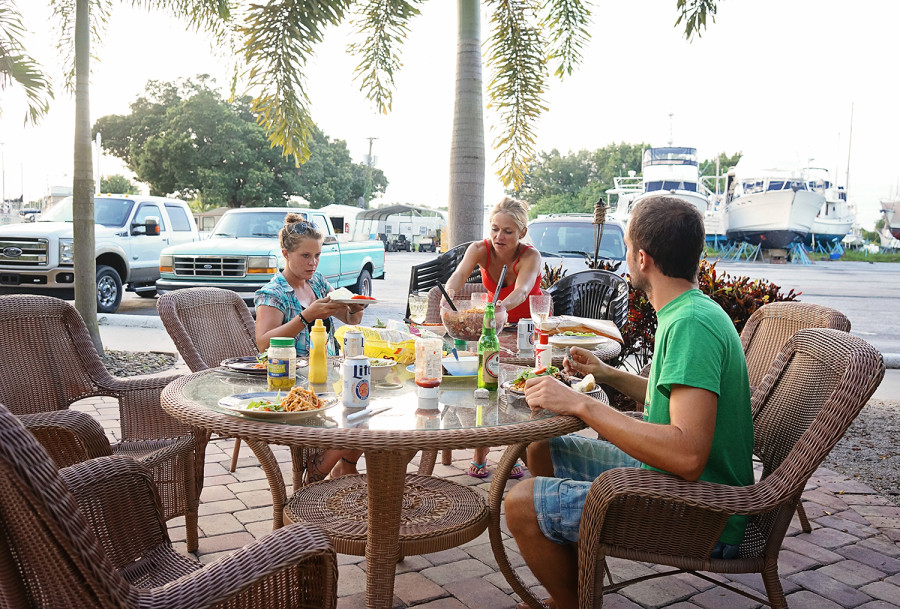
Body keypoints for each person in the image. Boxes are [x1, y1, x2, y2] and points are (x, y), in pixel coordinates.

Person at [504, 196, 754, 609]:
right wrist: (607, 375)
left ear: (642, 258)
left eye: (626, 250)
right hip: (672, 483)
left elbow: (688, 454)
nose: (624, 259)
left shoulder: (691, 325)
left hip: (699, 512)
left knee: (520, 503)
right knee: (538, 443)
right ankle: (578, 584)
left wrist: (582, 405)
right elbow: (671, 399)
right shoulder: (689, 310)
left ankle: (573, 603)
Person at [255, 213, 366, 481]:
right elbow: (263, 342)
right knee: (355, 409)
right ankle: (317, 472)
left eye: (317, 255)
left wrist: (356, 309)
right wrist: (306, 316)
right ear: (286, 253)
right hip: (292, 380)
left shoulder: (316, 283)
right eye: (305, 256)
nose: (313, 263)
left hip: (326, 373)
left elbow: (347, 318)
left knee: (365, 398)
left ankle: (346, 463)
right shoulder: (275, 293)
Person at [445, 196, 543, 478]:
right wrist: (448, 296)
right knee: (484, 378)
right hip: (492, 326)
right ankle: (480, 449)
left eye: (508, 231)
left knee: (515, 389)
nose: (499, 236)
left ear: (522, 233)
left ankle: (513, 453)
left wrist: (500, 306)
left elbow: (523, 291)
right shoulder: (480, 249)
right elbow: (458, 276)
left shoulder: (530, 256)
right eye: (495, 229)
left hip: (525, 330)